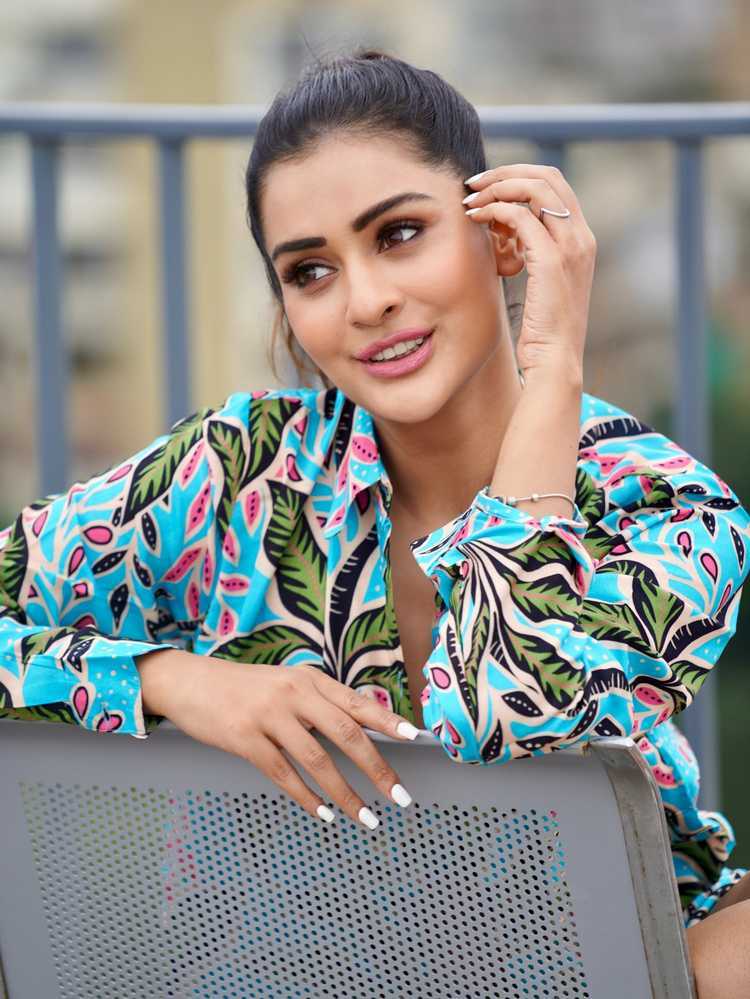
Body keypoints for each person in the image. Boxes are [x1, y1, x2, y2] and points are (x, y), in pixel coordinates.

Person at [1, 46, 748, 995]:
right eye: (310, 270)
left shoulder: (666, 507)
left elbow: (505, 709)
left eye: (398, 234)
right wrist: (174, 681)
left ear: (502, 239)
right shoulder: (235, 472)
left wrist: (555, 365)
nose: (365, 301)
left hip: (603, 970)